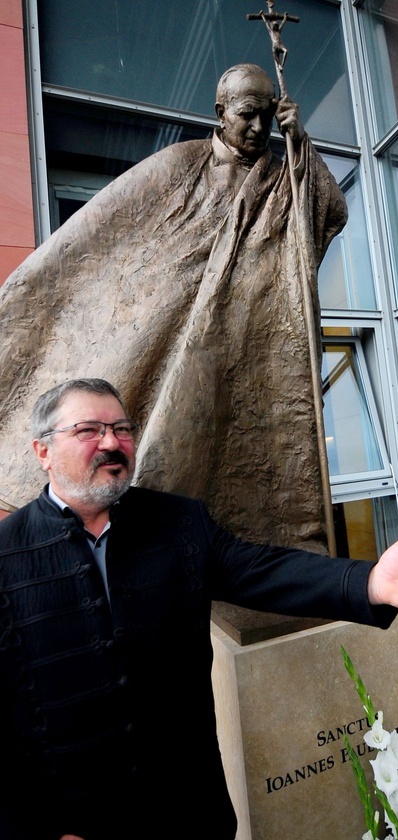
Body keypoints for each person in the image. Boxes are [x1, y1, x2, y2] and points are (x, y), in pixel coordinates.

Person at [0, 378, 398, 840]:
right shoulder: (6, 554)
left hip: (193, 815)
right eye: (89, 430)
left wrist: (371, 582)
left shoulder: (177, 522)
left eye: (121, 429)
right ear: (42, 451)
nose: (111, 442)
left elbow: (262, 570)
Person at [0, 63, 347, 553]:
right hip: (180, 334)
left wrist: (302, 146)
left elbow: (330, 211)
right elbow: (105, 234)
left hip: (256, 339)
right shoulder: (180, 164)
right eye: (247, 115)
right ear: (220, 112)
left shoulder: (286, 169)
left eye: (267, 116)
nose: (258, 128)